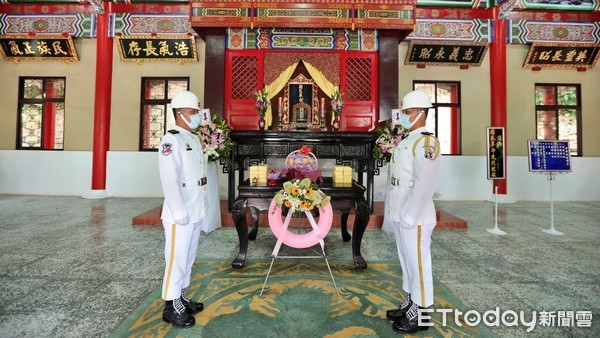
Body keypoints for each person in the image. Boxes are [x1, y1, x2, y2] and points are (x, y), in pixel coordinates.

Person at [385, 90, 441, 333]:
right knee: (407, 260)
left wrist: (410, 214)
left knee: (419, 261)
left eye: (407, 113)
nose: (404, 116)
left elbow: (426, 183)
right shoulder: (407, 140)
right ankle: (411, 302)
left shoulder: (426, 142)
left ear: (421, 113)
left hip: (415, 215)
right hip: (401, 211)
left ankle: (421, 313)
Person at [158, 90, 208, 328]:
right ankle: (170, 304)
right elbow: (169, 179)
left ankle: (180, 296)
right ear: (180, 113)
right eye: (193, 111)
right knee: (176, 258)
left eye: (197, 111)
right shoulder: (171, 140)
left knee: (188, 257)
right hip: (181, 210)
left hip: (195, 206)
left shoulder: (192, 137)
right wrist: (178, 211)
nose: (197, 115)